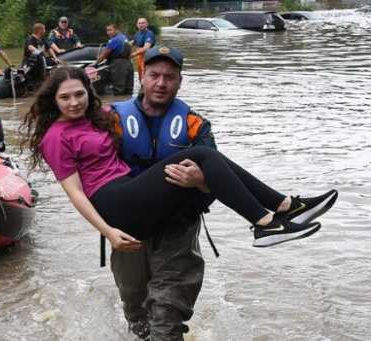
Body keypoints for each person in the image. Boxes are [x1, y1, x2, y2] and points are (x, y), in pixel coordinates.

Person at [19, 64, 338, 335]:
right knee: (202, 155)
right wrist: (107, 231)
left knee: (206, 157)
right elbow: (75, 193)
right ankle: (270, 217)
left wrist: (90, 77)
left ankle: (282, 209)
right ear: (53, 100)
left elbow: (139, 108)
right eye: (65, 97)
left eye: (79, 94)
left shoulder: (99, 116)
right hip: (114, 203)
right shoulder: (56, 137)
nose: (73, 102)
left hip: (135, 197)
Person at [105, 46, 214, 340]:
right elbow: (90, 176)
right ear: (142, 77)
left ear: (180, 81)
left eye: (169, 76)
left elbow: (217, 182)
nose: (161, 83)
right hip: (128, 231)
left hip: (177, 227)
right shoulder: (111, 121)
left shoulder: (196, 126)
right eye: (154, 75)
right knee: (136, 310)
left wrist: (200, 180)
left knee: (167, 312)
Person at [96, 23, 134, 95]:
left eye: (110, 30)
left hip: (118, 65)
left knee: (118, 89)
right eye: (107, 30)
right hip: (128, 64)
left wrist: (95, 64)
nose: (108, 32)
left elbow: (104, 55)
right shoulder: (125, 38)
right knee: (129, 89)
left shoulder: (113, 40)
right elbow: (130, 53)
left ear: (116, 30)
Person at [23, 23, 60, 91]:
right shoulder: (30, 38)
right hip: (31, 62)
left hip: (41, 61)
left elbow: (49, 49)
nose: (45, 30)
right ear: (40, 30)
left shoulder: (42, 39)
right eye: (44, 29)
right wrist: (40, 53)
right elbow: (30, 47)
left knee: (53, 62)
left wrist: (55, 58)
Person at [129, 17, 156, 82]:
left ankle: (146, 89)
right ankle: (141, 88)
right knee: (140, 76)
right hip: (139, 57)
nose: (141, 25)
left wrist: (133, 54)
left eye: (143, 23)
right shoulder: (137, 33)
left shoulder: (149, 34)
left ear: (147, 24)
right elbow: (132, 42)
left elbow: (146, 47)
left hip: (147, 57)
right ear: (137, 25)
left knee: (146, 75)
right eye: (139, 23)